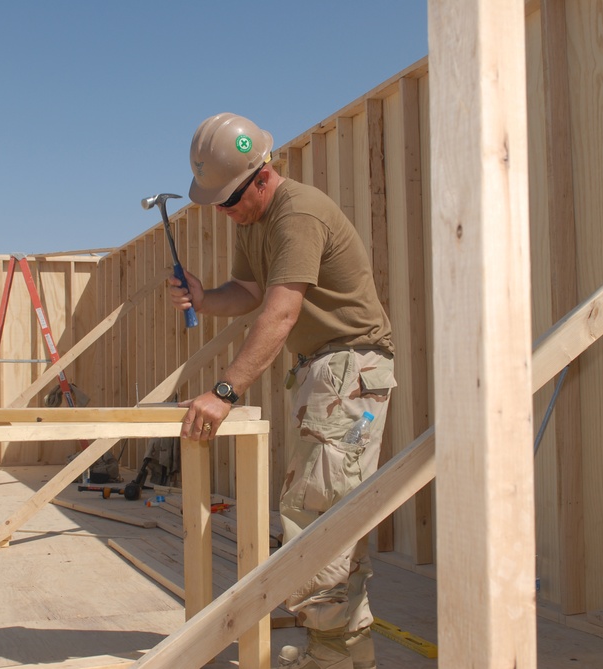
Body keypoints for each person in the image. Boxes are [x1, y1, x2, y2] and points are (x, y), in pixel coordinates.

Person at [168, 113, 396, 669]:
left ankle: (335, 657)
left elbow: (282, 309)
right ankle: (341, 653)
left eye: (227, 200)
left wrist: (224, 391)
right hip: (324, 372)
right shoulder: (252, 222)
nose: (222, 212)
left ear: (260, 177)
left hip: (350, 370)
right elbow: (247, 292)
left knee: (315, 514)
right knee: (326, 513)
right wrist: (204, 297)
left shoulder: (298, 212)